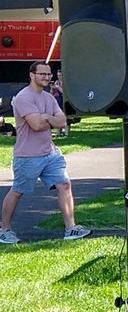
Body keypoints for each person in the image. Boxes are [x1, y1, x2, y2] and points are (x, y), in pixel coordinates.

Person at [0, 61, 91, 245]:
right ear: (32, 75)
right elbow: (36, 125)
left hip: (50, 153)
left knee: (64, 185)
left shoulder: (48, 98)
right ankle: (5, 230)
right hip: (28, 156)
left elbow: (63, 121)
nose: (47, 77)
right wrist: (50, 120)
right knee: (17, 191)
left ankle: (70, 228)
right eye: (42, 74)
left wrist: (47, 117)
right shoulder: (24, 97)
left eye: (48, 74)